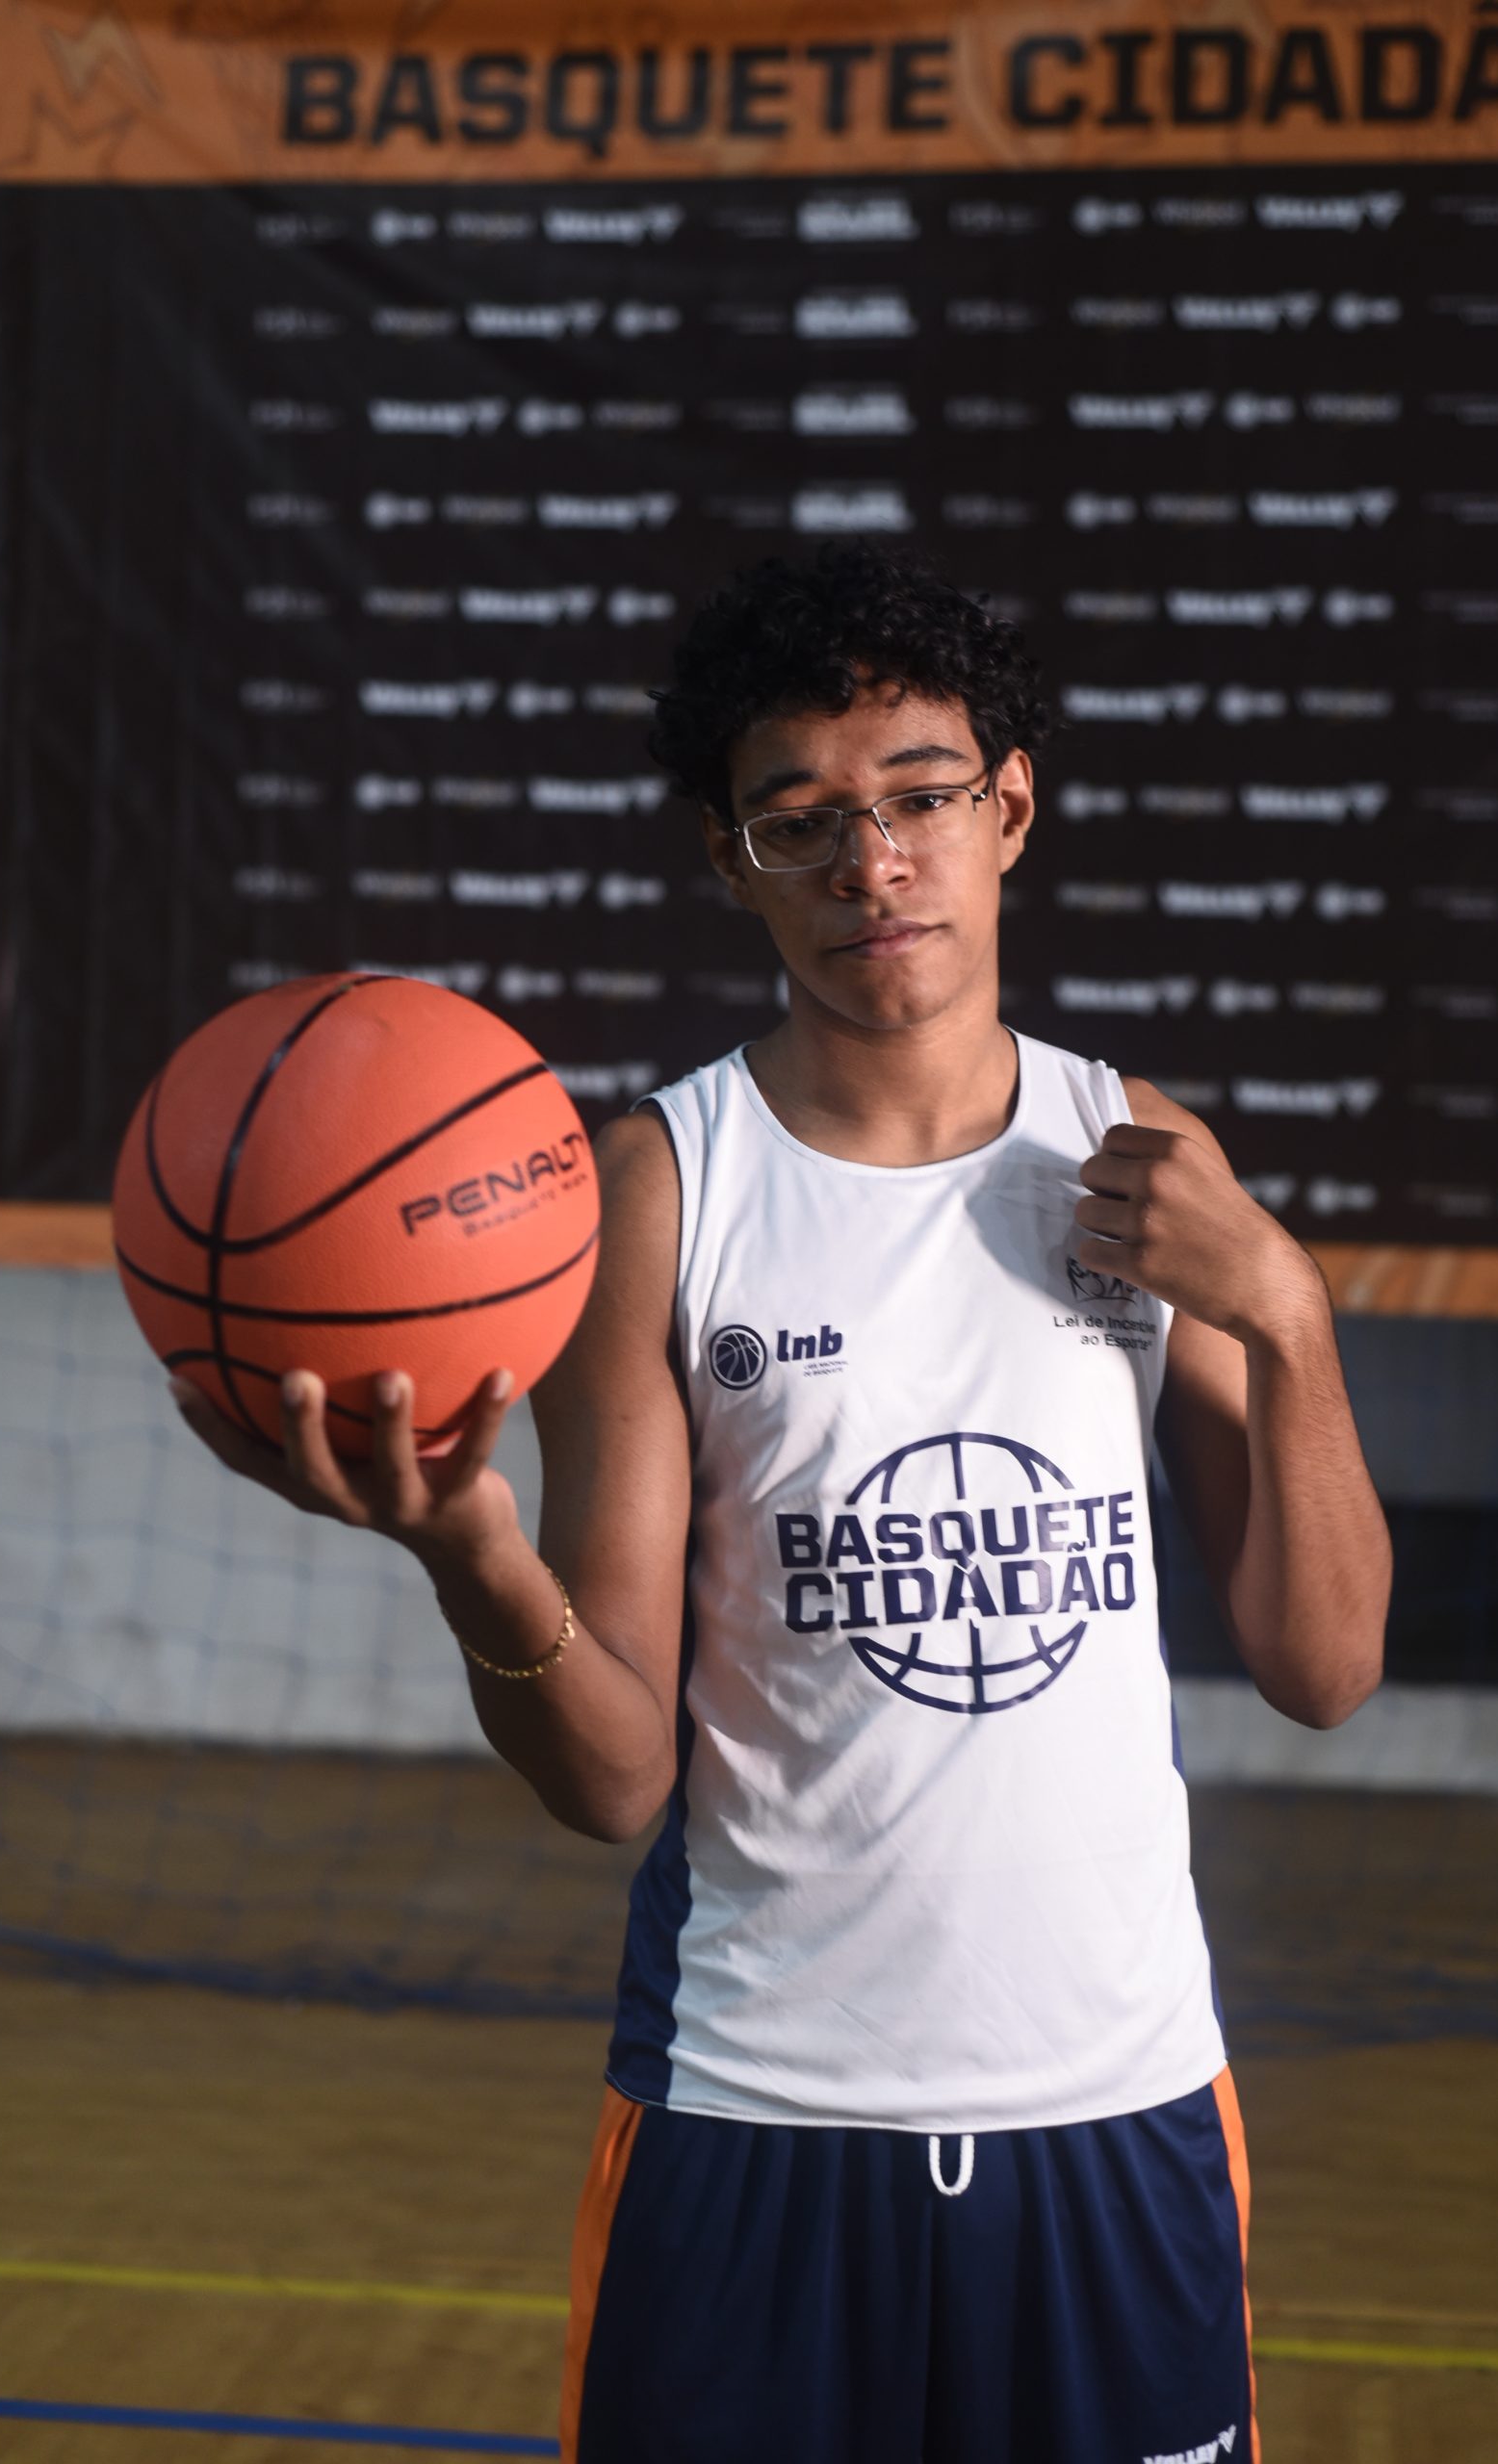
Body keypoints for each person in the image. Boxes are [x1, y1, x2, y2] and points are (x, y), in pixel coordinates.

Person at [172, 545, 1391, 2464]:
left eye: (917, 796)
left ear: (1007, 808)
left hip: (1121, 2101)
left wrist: (1290, 1316)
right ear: (728, 858)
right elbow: (614, 1783)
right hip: (755, 2109)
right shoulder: (663, 1188)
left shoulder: (1141, 1156)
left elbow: (1323, 1668)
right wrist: (468, 1546)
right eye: (799, 818)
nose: (869, 862)